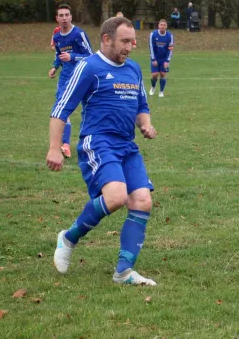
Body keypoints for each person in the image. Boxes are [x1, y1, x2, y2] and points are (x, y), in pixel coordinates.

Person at [47, 16, 158, 286]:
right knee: (117, 196)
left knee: (142, 201)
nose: (130, 47)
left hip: (126, 145)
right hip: (98, 142)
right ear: (106, 39)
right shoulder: (88, 67)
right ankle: (68, 238)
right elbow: (61, 110)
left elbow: (141, 105)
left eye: (132, 41)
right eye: (124, 41)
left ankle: (123, 272)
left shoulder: (133, 69)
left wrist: (146, 125)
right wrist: (54, 147)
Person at [48, 4, 93, 159]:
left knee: (89, 110)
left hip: (81, 77)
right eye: (61, 15)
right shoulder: (57, 37)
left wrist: (72, 57)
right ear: (57, 18)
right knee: (62, 109)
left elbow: (90, 56)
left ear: (71, 17)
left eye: (67, 15)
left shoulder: (79, 34)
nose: (64, 18)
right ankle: (65, 144)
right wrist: (55, 67)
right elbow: (59, 55)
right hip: (65, 78)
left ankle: (92, 142)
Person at [148, 19, 174, 98]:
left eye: (164, 25)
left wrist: (167, 61)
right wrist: (153, 59)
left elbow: (170, 49)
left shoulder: (169, 36)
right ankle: (153, 87)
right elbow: (151, 47)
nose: (162, 26)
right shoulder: (153, 34)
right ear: (158, 26)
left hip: (164, 59)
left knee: (162, 74)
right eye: (161, 25)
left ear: (166, 26)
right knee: (154, 75)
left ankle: (161, 91)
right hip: (155, 58)